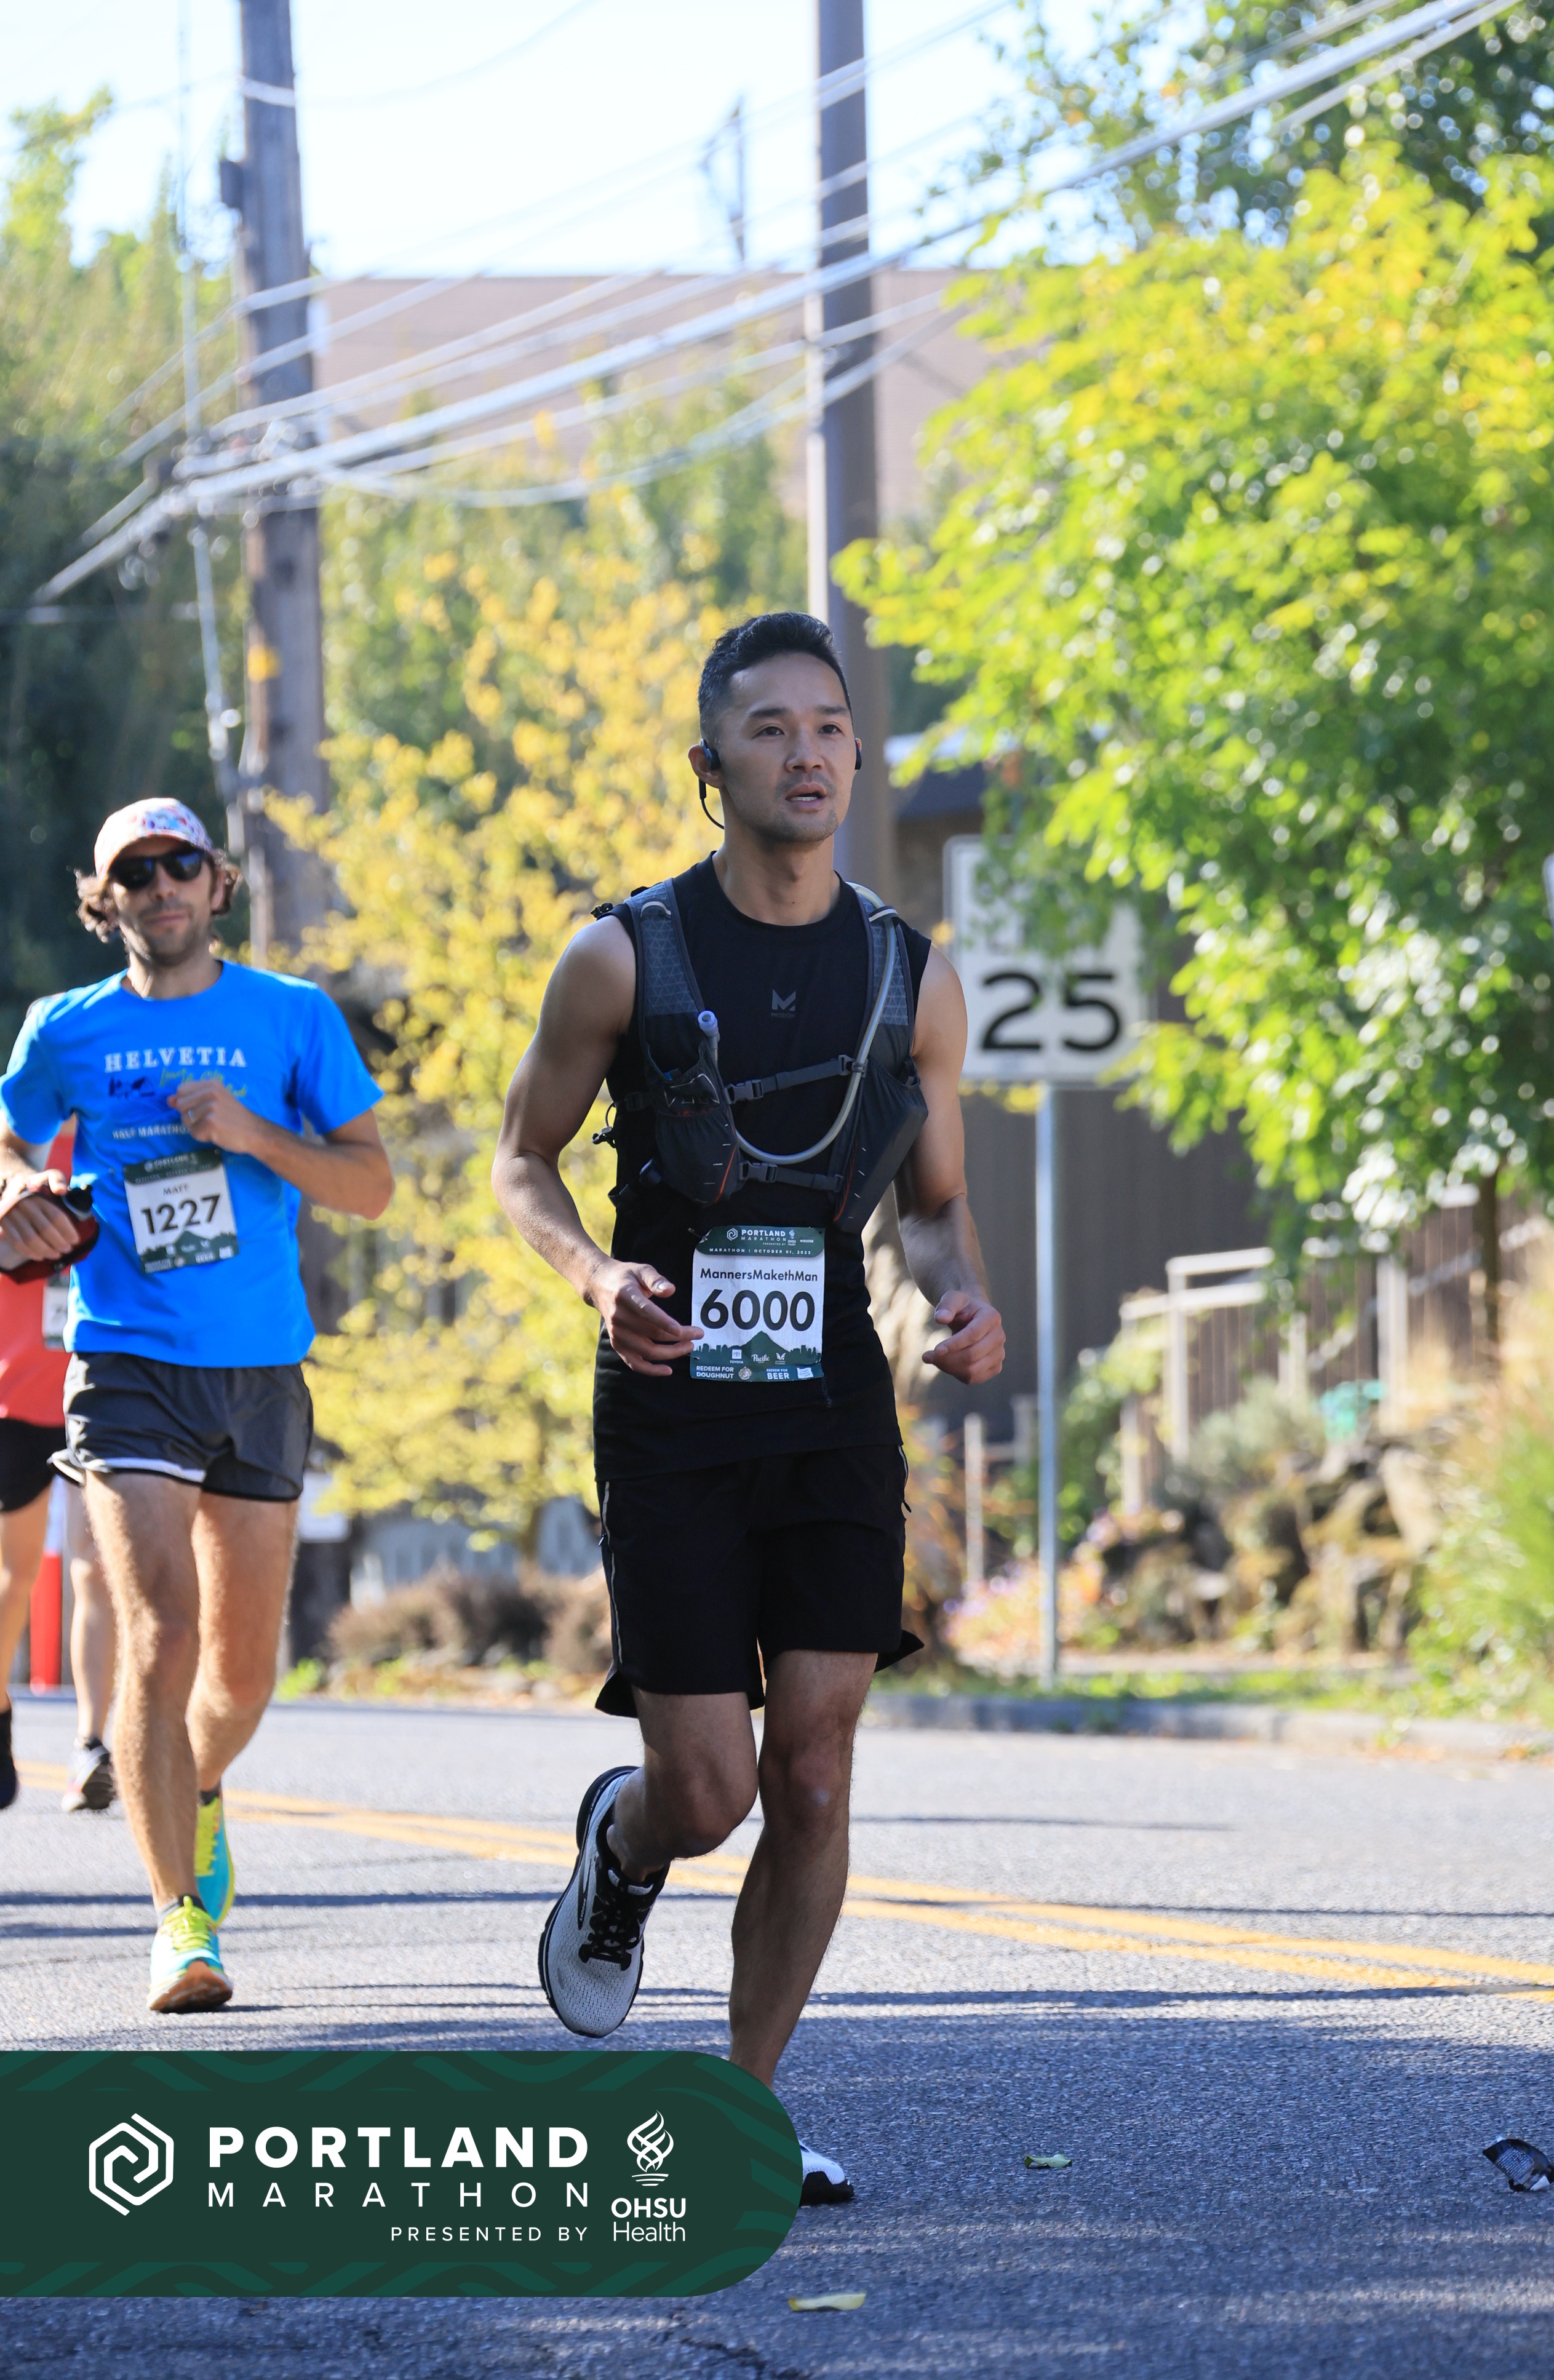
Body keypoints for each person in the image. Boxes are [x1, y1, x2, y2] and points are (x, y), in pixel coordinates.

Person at [494, 612, 1004, 2203]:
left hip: (833, 1396)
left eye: (831, 727)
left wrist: (962, 1299)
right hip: (671, 1400)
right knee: (710, 1789)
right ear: (710, 765)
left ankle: (747, 2108)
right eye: (771, 729)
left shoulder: (910, 977)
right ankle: (626, 1842)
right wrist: (595, 1278)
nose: (808, 753)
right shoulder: (623, 958)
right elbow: (520, 1163)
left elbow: (932, 1208)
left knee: (821, 1768)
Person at [0, 797, 392, 2011]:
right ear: (104, 898)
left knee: (242, 1672)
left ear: (217, 884)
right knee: (160, 1634)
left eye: (181, 865)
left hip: (261, 1369)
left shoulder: (291, 1016)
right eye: (136, 871)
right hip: (125, 1363)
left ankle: (198, 1784)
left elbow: (371, 1184)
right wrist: (17, 1192)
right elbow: (6, 1140)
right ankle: (179, 1921)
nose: (161, 885)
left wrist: (255, 1133)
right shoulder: (66, 1028)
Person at [0, 1127, 118, 1813]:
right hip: (17, 1396)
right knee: (13, 1575)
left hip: (105, 1384)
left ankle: (90, 1745)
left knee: (95, 1569)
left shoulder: (126, 1129)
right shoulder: (15, 1144)